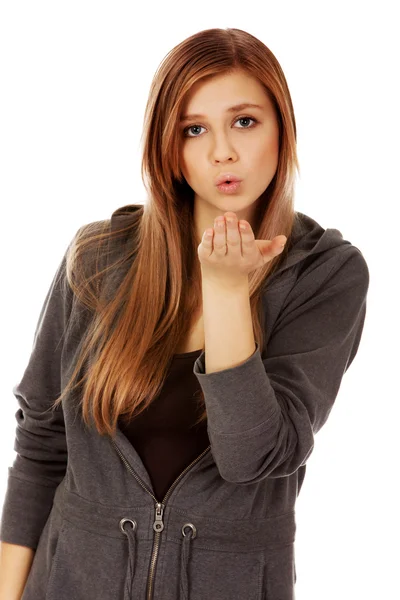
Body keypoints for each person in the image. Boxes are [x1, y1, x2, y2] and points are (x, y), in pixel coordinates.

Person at [0, 27, 369, 600]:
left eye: (244, 121)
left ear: (282, 127)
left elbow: (254, 456)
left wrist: (226, 293)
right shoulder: (99, 258)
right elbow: (41, 449)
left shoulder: (325, 274)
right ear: (168, 150)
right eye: (194, 130)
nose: (222, 150)